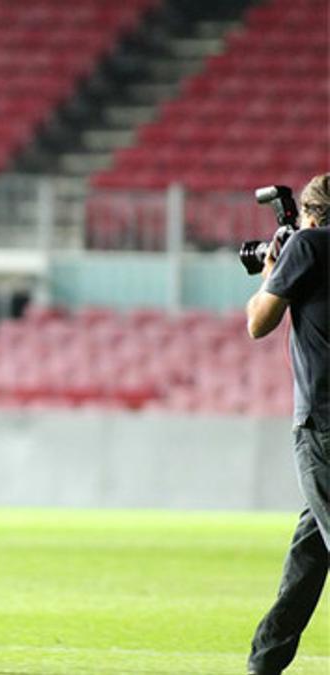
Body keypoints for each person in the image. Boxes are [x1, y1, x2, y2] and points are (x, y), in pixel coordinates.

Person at [244, 172, 330, 675]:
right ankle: (266, 660)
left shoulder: (308, 246)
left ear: (312, 216)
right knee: (310, 552)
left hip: (322, 421)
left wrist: (271, 270)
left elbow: (259, 322)